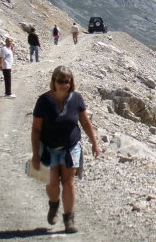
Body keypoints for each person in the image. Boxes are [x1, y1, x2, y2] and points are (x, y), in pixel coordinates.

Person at [31, 66, 99, 233]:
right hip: (49, 148)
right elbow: (36, 129)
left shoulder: (77, 98)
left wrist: (94, 142)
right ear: (53, 81)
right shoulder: (43, 101)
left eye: (67, 82)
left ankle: (69, 218)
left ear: (71, 82)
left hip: (71, 147)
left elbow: (84, 122)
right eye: (60, 81)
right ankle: (53, 204)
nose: (64, 85)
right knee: (52, 183)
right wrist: (35, 154)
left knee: (69, 183)